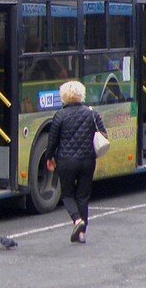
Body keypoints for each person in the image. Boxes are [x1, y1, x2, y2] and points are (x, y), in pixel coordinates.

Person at [45, 80, 107, 244]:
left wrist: (49, 158)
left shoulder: (60, 115)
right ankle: (82, 234)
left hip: (66, 161)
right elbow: (103, 134)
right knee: (83, 196)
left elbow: (52, 142)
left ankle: (77, 220)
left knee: (67, 194)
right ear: (82, 95)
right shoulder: (92, 113)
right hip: (88, 161)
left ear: (64, 97)